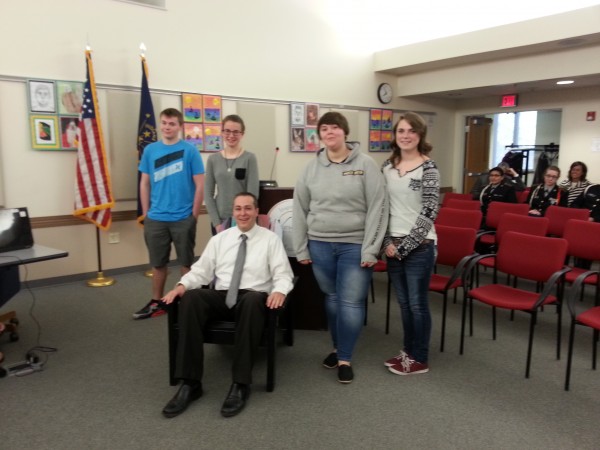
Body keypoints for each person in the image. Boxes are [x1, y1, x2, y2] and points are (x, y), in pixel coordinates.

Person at [161, 192, 294, 418]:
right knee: (192, 298)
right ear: (232, 212)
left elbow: (283, 273)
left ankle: (240, 384)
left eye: (248, 208)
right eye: (238, 209)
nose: (243, 213)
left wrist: (280, 291)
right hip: (222, 296)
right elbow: (201, 271)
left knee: (252, 299)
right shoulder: (219, 239)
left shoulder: (270, 239)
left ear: (255, 211)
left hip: (253, 298)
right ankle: (190, 383)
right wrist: (181, 286)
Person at [292, 111, 388, 384]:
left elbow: (378, 207)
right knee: (332, 299)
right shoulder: (311, 168)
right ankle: (336, 348)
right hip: (319, 243)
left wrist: (371, 248)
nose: (330, 133)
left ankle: (345, 357)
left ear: (344, 132)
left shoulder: (366, 164)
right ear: (320, 135)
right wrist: (301, 248)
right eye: (324, 129)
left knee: (350, 302)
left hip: (354, 245)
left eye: (335, 128)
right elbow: (299, 209)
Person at [382, 112, 440, 376]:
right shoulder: (388, 165)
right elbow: (382, 208)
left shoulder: (429, 168)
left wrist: (403, 247)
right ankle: (408, 351)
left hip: (420, 245)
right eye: (401, 131)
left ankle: (420, 358)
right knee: (404, 304)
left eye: (411, 131)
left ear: (420, 135)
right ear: (395, 135)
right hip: (392, 243)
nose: (405, 136)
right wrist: (386, 242)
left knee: (417, 304)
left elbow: (429, 211)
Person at [133, 108, 205, 320]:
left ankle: (188, 303)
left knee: (186, 263)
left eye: (172, 123)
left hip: (183, 218)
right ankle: (157, 302)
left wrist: (193, 216)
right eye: (164, 123)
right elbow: (144, 183)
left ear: (180, 126)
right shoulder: (150, 151)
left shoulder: (190, 151)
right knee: (158, 264)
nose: (167, 127)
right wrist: (147, 214)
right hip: (156, 218)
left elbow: (200, 186)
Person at [204, 115, 259, 234]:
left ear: (242, 134)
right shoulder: (213, 159)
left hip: (243, 220)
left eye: (236, 132)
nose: (231, 135)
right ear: (222, 133)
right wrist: (216, 223)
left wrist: (244, 220)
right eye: (227, 131)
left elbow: (253, 194)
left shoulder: (249, 158)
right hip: (220, 220)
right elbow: (208, 194)